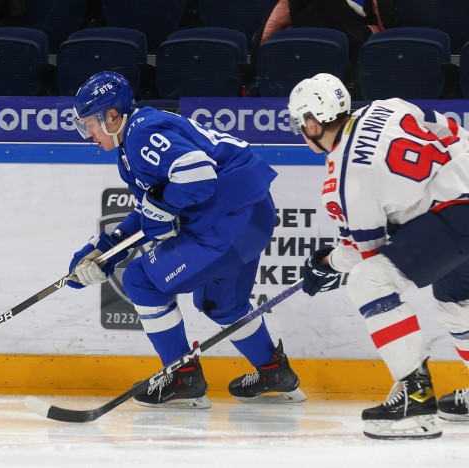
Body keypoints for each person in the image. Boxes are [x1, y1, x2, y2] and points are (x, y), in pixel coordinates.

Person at [66, 70, 306, 408]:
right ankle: (273, 372)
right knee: (220, 304)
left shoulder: (140, 134)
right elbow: (152, 207)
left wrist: (160, 209)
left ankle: (182, 377)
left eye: (90, 124)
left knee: (139, 280)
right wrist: (106, 249)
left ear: (112, 115)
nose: (89, 134)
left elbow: (196, 174)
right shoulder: (132, 143)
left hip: (227, 220)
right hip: (250, 215)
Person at [287, 73, 469, 439]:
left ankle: (414, 399)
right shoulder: (387, 106)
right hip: (458, 198)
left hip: (455, 218)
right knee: (455, 303)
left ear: (311, 122)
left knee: (368, 281)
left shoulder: (343, 176)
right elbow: (452, 130)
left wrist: (325, 264)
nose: (300, 132)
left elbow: (364, 255)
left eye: (299, 124)